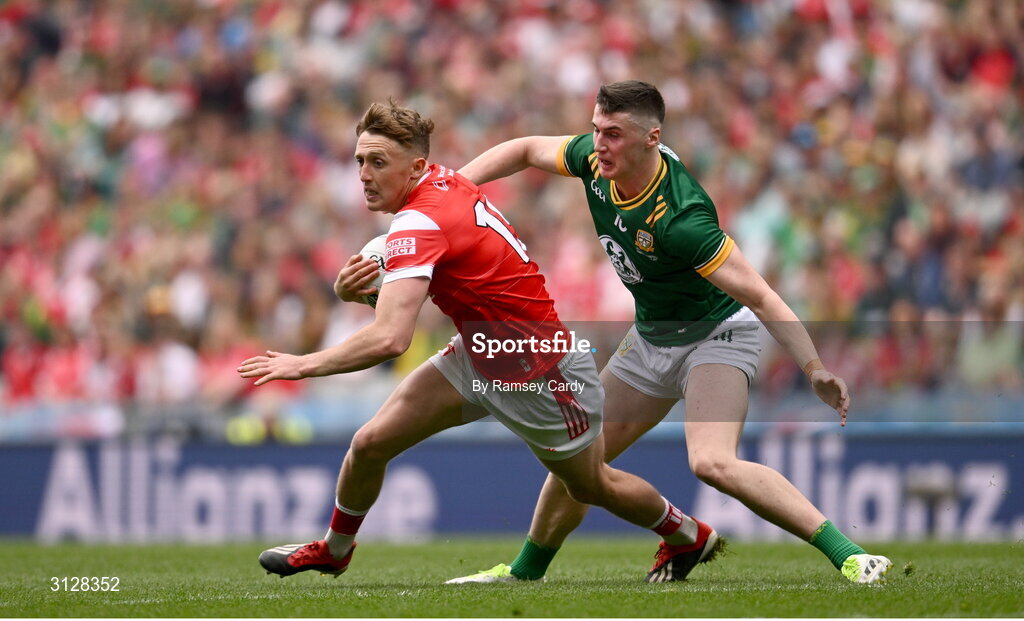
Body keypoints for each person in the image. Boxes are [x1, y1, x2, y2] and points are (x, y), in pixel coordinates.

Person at [240, 100, 714, 580]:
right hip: (481, 352)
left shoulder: (417, 221)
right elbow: (410, 296)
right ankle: (335, 549)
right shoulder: (441, 185)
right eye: (360, 160)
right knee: (370, 443)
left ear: (416, 167)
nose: (363, 173)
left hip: (540, 370)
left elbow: (390, 338)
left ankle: (686, 533)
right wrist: (356, 290)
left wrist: (302, 365)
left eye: (378, 162)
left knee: (592, 485)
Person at [445, 81, 892, 585]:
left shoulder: (682, 219)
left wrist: (815, 369)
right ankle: (525, 575)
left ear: (651, 138)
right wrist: (451, 193)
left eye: (613, 134)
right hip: (652, 337)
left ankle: (851, 556)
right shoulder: (596, 164)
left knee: (711, 463)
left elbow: (762, 297)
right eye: (596, 130)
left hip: (717, 334)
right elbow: (525, 149)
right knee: (577, 459)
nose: (598, 144)